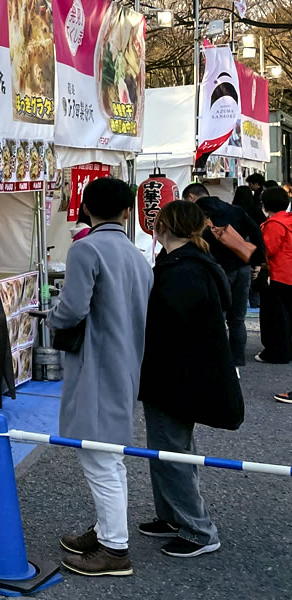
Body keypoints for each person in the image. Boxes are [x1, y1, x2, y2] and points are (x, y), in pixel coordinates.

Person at [50, 178, 153, 577]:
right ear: (128, 211)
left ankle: (115, 548)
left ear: (87, 209)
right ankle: (106, 530)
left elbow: (72, 308)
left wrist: (53, 316)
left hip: (95, 363)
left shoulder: (86, 248)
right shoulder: (136, 254)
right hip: (127, 362)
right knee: (111, 455)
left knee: (99, 458)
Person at [138, 201, 243, 559]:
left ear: (165, 226)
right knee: (167, 449)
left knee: (172, 451)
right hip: (181, 374)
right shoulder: (196, 263)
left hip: (176, 376)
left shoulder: (184, 270)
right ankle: (171, 517)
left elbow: (169, 324)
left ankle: (198, 530)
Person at [182, 183, 265, 368]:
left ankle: (215, 359)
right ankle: (237, 360)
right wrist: (257, 262)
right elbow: (256, 232)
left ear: (191, 198)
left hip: (214, 269)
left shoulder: (195, 215)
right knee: (237, 319)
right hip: (242, 267)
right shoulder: (236, 210)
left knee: (214, 316)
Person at [256, 187, 292, 364]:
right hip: (289, 274)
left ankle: (276, 352)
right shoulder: (288, 220)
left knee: (275, 317)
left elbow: (267, 249)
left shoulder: (274, 224)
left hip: (278, 275)